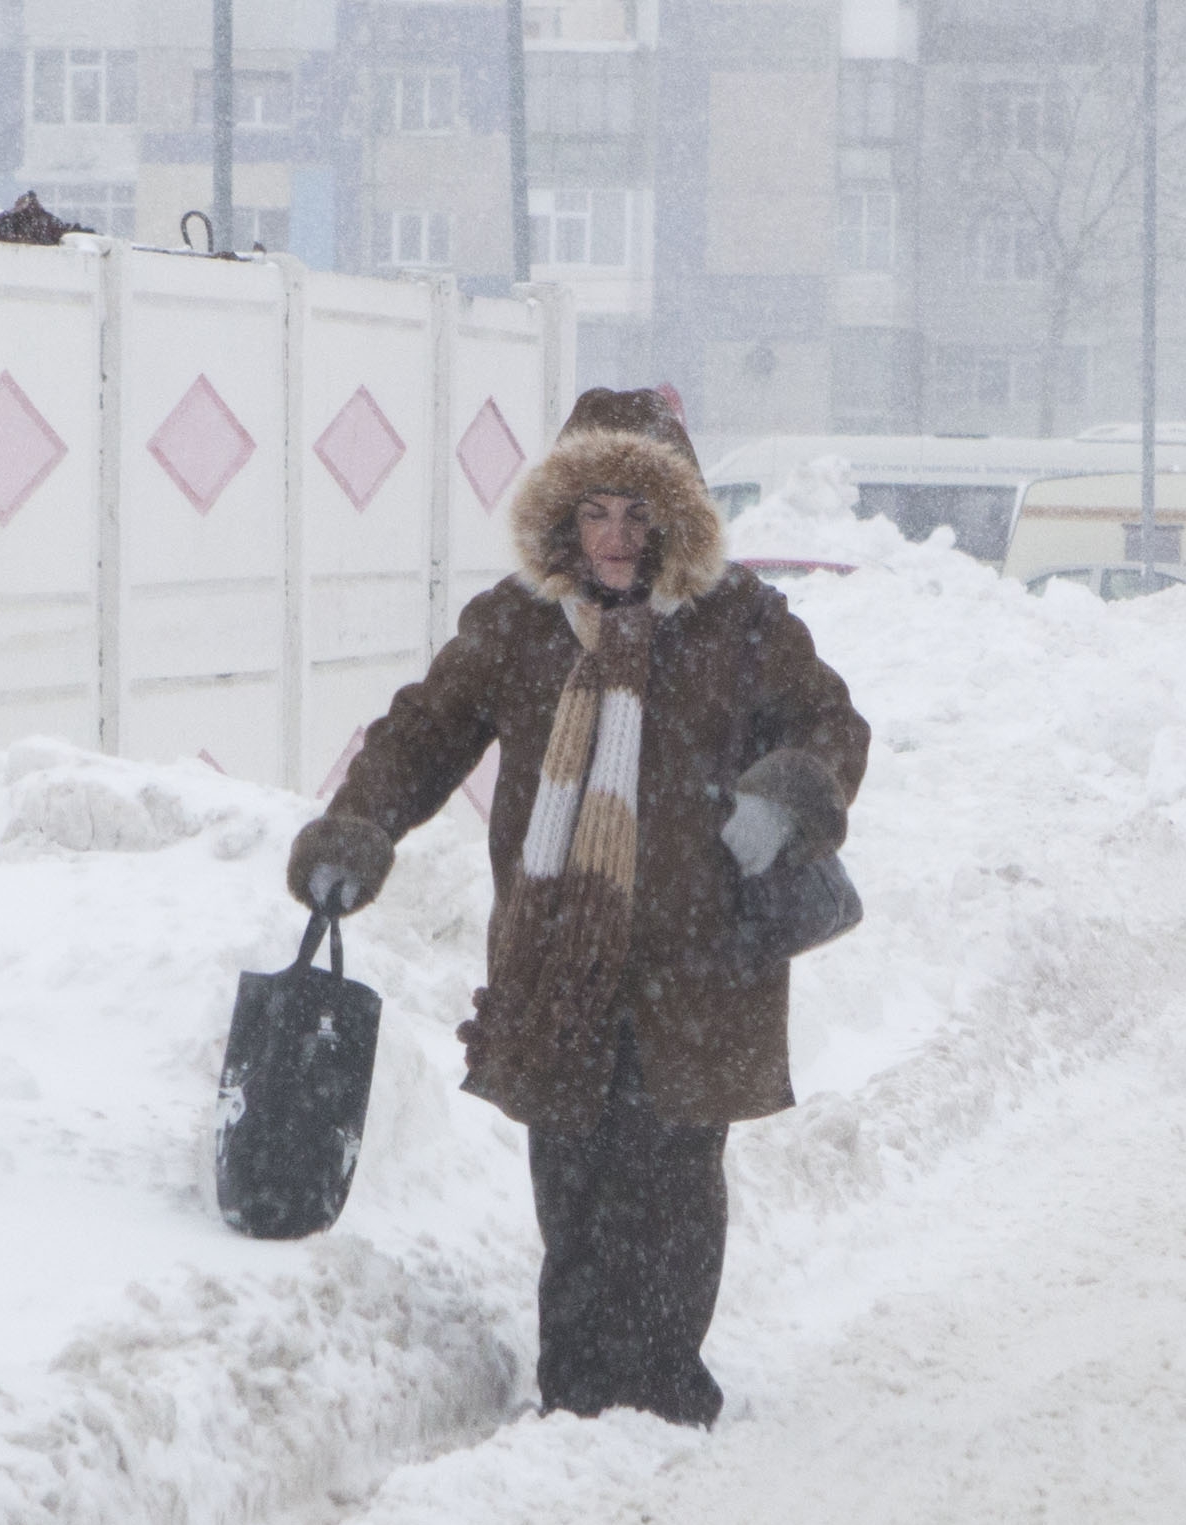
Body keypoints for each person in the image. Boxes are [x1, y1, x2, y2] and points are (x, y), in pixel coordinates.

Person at [283, 387, 870, 1424]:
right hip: (559, 962)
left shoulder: (741, 624)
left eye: (640, 514)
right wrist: (360, 828)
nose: (615, 535)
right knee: (574, 1180)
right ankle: (578, 1390)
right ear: (563, 517)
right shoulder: (516, 627)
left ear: (676, 521)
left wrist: (784, 798)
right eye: (595, 510)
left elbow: (832, 724)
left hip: (701, 959)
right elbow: (423, 733)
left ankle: (661, 1389)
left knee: (674, 1184)